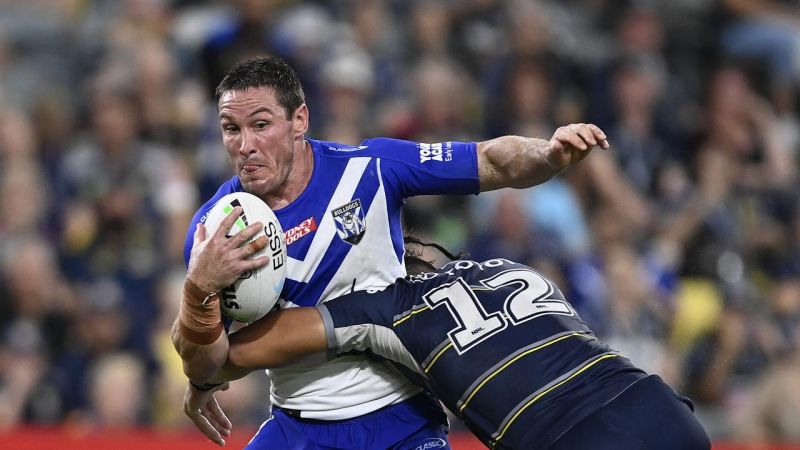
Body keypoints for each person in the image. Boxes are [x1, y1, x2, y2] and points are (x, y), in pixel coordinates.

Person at [172, 55, 609, 449]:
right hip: (298, 426)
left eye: (261, 125)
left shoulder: (371, 170)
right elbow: (209, 364)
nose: (245, 145)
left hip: (402, 418)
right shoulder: (217, 230)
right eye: (232, 129)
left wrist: (548, 153)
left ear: (299, 120)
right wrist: (199, 289)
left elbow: (492, 160)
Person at [185, 240, 711, 450]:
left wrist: (201, 355)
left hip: (573, 439)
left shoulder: (390, 307)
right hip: (663, 409)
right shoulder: (511, 267)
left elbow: (245, 351)